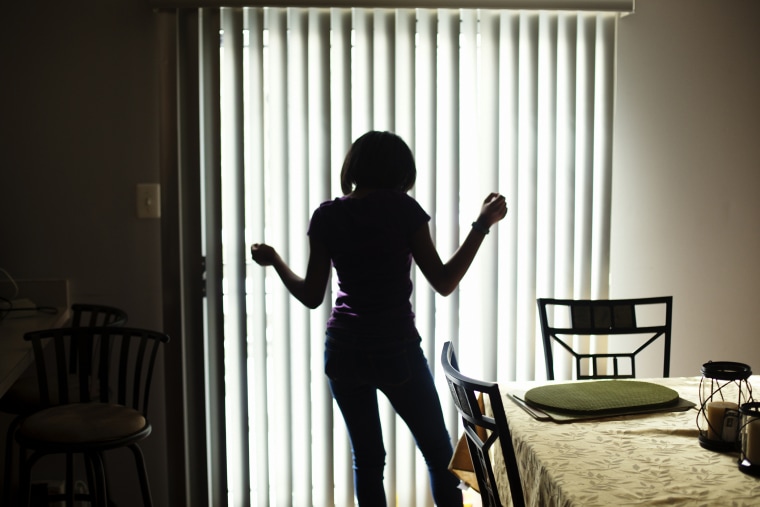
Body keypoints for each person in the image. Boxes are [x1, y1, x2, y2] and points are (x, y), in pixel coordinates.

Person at [250, 130, 508, 506]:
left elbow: (310, 295)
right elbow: (445, 281)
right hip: (395, 348)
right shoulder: (403, 210)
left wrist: (275, 261)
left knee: (368, 462)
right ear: (401, 171)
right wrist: (482, 224)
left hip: (342, 350)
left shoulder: (327, 215)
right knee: (439, 455)